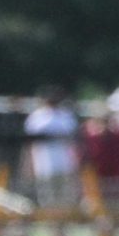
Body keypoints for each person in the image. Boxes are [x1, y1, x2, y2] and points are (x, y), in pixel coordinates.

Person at [23, 88, 81, 216]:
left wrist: (76, 165)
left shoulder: (67, 117)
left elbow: (73, 145)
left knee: (66, 201)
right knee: (48, 202)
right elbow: (30, 145)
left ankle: (62, 232)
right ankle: (54, 232)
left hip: (65, 166)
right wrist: (28, 165)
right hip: (44, 166)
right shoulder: (36, 118)